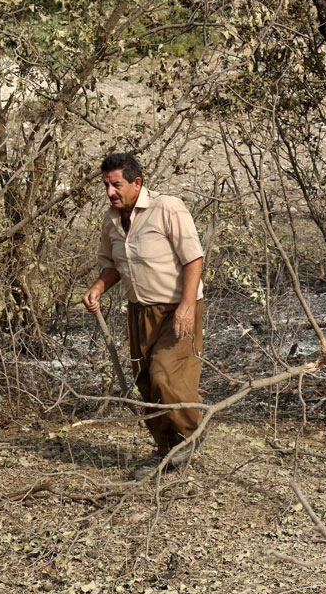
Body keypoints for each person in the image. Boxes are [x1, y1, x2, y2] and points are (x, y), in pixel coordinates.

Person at [83, 152, 205, 478]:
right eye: (106, 185)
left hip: (176, 308)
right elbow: (113, 267)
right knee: (147, 383)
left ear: (137, 183)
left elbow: (194, 259)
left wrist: (187, 306)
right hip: (139, 312)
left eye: (116, 184)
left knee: (166, 375)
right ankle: (165, 452)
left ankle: (193, 433)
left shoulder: (167, 208)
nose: (110, 192)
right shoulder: (111, 219)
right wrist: (97, 288)